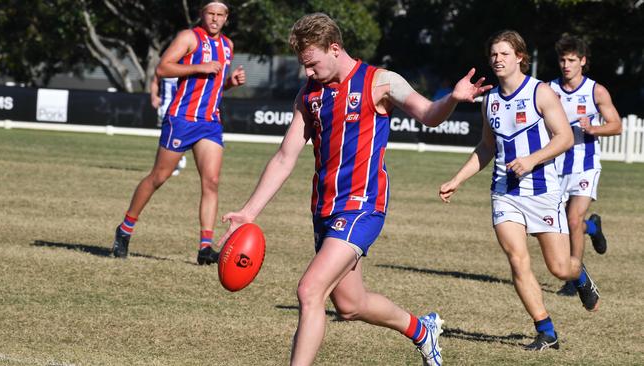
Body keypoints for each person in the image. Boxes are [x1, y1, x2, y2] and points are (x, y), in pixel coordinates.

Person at [219, 12, 490, 366]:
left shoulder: (381, 82)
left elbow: (429, 113)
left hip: (363, 207)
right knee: (350, 305)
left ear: (334, 48)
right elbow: (285, 157)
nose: (308, 72)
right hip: (325, 211)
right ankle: (422, 331)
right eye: (304, 66)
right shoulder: (309, 96)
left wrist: (452, 98)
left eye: (313, 64)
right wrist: (249, 211)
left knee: (309, 290)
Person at [439, 30, 600, 351]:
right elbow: (486, 147)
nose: (497, 59)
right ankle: (546, 329)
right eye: (494, 54)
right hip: (504, 192)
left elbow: (564, 138)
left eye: (504, 54)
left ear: (520, 58)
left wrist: (532, 160)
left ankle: (580, 276)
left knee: (559, 268)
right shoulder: (491, 100)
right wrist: (457, 179)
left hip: (542, 191)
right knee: (517, 259)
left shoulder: (541, 93)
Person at [112, 0, 246, 265]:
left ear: (227, 18)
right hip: (181, 119)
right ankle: (125, 229)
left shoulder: (228, 45)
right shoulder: (189, 37)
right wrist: (199, 67)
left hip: (210, 122)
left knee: (212, 182)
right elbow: (163, 68)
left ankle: (205, 248)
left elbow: (214, 87)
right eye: (210, 13)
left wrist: (230, 83)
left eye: (220, 15)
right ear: (202, 14)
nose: (215, 19)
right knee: (159, 177)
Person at [549, 34, 622, 297]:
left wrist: (594, 128)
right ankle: (593, 228)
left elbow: (617, 125)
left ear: (583, 61)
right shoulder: (549, 89)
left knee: (572, 218)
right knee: (552, 224)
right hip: (555, 167)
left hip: (585, 165)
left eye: (571, 60)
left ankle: (574, 276)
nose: (566, 65)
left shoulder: (596, 91)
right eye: (562, 60)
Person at [150, 74, 187, 176]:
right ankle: (170, 162)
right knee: (166, 135)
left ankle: (178, 157)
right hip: (165, 106)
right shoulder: (165, 64)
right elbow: (155, 81)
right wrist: (154, 96)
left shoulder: (187, 65)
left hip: (182, 107)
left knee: (179, 134)